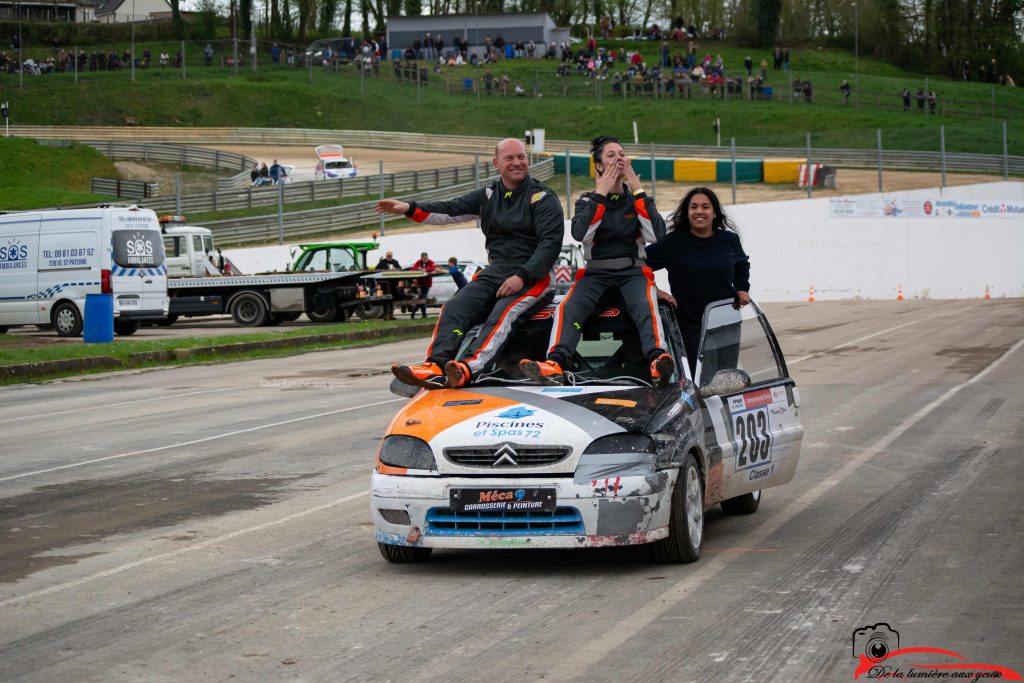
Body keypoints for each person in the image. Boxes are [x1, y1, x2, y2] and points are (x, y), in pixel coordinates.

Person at [374, 138, 564, 389]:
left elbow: (550, 245)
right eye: (510, 158)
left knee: (502, 314)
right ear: (496, 163)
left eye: (522, 156)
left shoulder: (542, 197)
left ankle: (467, 367)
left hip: (534, 277)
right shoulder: (488, 195)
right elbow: (450, 209)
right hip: (496, 270)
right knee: (453, 308)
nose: (517, 162)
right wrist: (409, 208)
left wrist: (521, 275)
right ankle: (435, 366)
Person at [519, 136, 673, 387]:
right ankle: (555, 363)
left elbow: (656, 235)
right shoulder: (587, 200)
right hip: (595, 274)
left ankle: (658, 361)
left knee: (646, 307)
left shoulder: (638, 199)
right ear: (599, 167)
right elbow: (580, 233)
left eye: (622, 154)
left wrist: (638, 190)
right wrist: (601, 194)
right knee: (568, 309)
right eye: (611, 155)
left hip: (633, 272)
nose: (619, 159)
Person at [645, 187, 750, 378]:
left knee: (727, 380)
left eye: (705, 207)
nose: (699, 211)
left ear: (715, 212)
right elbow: (639, 264)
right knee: (702, 382)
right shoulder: (674, 243)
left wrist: (742, 288)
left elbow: (742, 264)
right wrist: (656, 291)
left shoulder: (729, 240)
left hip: (727, 323)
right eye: (693, 207)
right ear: (687, 213)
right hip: (691, 327)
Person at [409, 252, 436, 319]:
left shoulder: (431, 262)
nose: (426, 259)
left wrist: (426, 269)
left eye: (427, 258)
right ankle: (423, 314)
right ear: (421, 258)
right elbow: (413, 268)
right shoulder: (418, 262)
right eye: (424, 258)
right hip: (420, 284)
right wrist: (418, 269)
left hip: (427, 284)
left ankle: (414, 312)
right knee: (422, 299)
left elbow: (433, 268)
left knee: (422, 299)